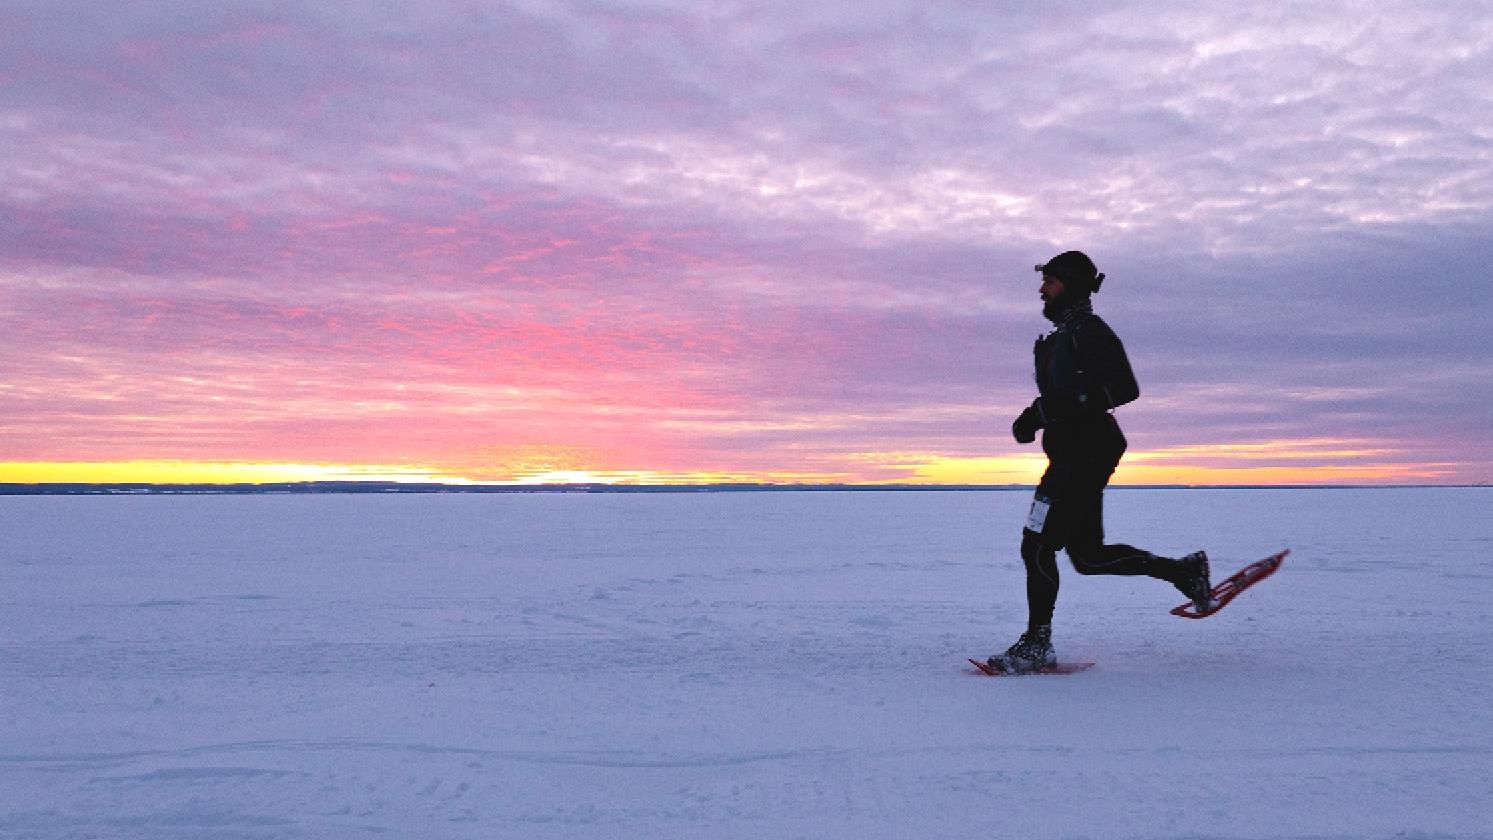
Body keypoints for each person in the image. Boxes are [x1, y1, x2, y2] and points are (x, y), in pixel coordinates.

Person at [986, 250, 1213, 674]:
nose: (1042, 290)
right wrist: (1037, 414)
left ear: (1070, 285)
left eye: (1050, 283)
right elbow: (1066, 394)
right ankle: (1184, 572)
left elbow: (1124, 388)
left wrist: (1044, 412)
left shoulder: (1089, 330)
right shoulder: (1062, 336)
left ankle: (1037, 643)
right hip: (1074, 451)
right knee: (1088, 557)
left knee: (1035, 545)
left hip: (1085, 452)